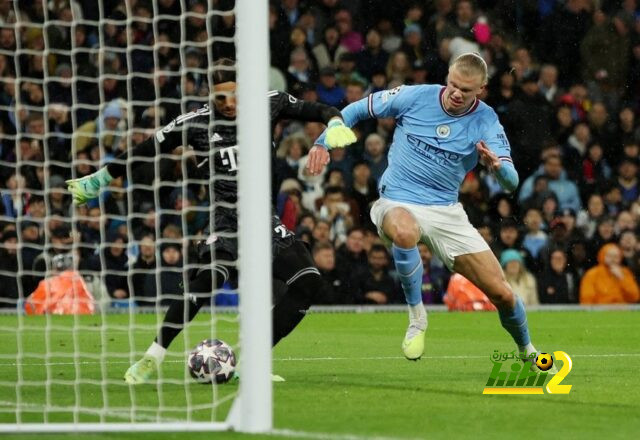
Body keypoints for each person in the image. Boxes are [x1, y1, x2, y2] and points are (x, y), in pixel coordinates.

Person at [66, 58, 356, 384]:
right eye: (220, 98)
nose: (229, 104)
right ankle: (152, 357)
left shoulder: (268, 103)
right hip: (226, 220)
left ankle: (256, 362)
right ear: (209, 95)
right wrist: (100, 179)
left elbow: (318, 110)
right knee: (206, 282)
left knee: (308, 281)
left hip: (263, 219)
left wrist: (333, 124)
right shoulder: (196, 122)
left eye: (234, 96)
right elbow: (145, 149)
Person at [307, 53, 547, 369]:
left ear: (482, 89)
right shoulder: (414, 96)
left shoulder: (486, 120)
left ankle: (527, 351)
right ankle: (417, 316)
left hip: (447, 211)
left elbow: (512, 183)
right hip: (397, 201)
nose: (457, 94)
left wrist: (497, 168)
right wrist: (324, 142)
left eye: (467, 90)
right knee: (405, 232)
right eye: (453, 85)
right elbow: (356, 109)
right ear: (447, 77)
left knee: (502, 294)